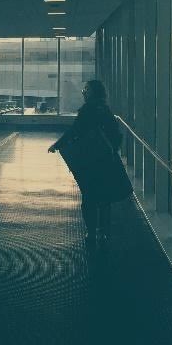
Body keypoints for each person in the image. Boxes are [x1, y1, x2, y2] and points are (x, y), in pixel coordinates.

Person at [48, 80, 123, 248]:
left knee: (89, 196)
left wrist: (57, 145)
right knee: (105, 199)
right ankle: (104, 233)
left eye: (86, 89)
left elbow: (75, 130)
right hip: (106, 159)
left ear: (94, 91)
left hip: (90, 160)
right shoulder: (106, 109)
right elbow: (115, 134)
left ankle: (91, 232)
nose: (83, 92)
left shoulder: (88, 110)